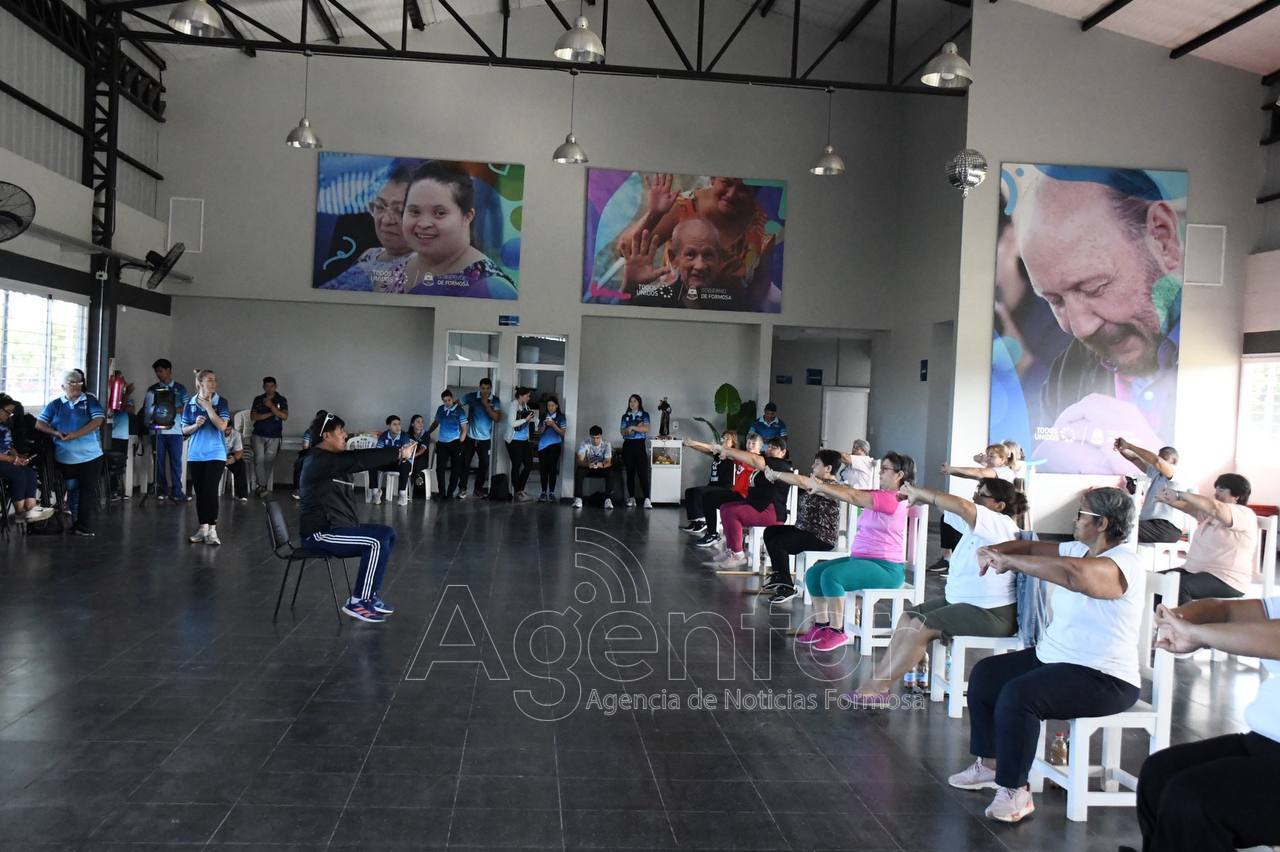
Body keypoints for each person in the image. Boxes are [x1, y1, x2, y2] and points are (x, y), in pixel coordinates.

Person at [946, 487, 1143, 824]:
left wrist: (1011, 562)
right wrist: (995, 550)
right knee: (987, 675)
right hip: (1054, 657)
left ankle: (1015, 791)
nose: (1074, 520)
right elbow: (1029, 545)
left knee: (1019, 696)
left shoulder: (1124, 563)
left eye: (1081, 515)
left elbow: (1074, 576)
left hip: (1104, 677)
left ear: (1103, 523)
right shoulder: (1079, 548)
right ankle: (991, 764)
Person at [1016, 168, 1184, 470]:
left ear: (1162, 238)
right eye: (1055, 301)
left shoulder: (1209, 366)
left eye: (1094, 287)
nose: (1080, 328)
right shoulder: (1065, 371)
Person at [848, 478, 1026, 706]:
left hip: (992, 613)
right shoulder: (976, 525)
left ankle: (877, 688)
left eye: (981, 495)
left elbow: (962, 506)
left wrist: (922, 492)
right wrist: (919, 495)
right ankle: (879, 680)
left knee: (920, 627)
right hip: (963, 603)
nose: (974, 497)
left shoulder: (1000, 523)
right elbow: (951, 508)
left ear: (999, 505)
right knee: (909, 617)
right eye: (975, 492)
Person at [1128, 597, 1280, 852]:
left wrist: (1196, 634)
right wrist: (1179, 619)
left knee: (1194, 798)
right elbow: (1225, 610)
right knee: (1160, 773)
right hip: (1266, 743)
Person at [298, 411, 417, 623]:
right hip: (320, 534)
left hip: (338, 527)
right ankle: (359, 601)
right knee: (375, 542)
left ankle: (370, 596)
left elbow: (364, 460)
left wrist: (399, 457)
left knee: (387, 534)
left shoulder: (332, 458)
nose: (345, 435)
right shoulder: (318, 460)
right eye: (341, 432)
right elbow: (358, 459)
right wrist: (398, 452)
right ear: (326, 436)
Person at [794, 453, 915, 652]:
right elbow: (850, 492)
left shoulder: (893, 499)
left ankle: (837, 630)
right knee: (814, 574)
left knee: (831, 576)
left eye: (885, 469)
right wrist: (822, 487)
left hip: (887, 568)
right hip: (863, 560)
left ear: (899, 475)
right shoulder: (880, 495)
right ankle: (822, 626)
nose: (880, 472)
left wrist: (822, 487)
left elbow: (853, 496)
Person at [616, 174, 779, 311]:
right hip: (672, 305)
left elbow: (760, 286)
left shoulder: (763, 228)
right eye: (727, 183)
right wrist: (653, 214)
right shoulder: (683, 205)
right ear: (713, 178)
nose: (731, 194)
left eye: (743, 189)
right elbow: (624, 249)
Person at [389, 160, 517, 299]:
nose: (424, 224)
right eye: (414, 211)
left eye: (439, 213)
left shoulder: (491, 289)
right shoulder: (395, 267)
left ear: (467, 217)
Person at [1151, 475, 1258, 604]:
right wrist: (1171, 501)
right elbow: (1191, 508)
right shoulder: (1213, 515)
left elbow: (1215, 507)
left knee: (1178, 588)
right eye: (1216, 490)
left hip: (1226, 579)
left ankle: (1186, 618)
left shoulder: (1244, 513)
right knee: (1154, 581)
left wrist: (1180, 494)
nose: (1216, 494)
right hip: (1194, 570)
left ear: (1236, 496)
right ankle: (1165, 617)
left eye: (1221, 490)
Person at [758, 449, 844, 603]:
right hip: (805, 531)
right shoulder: (818, 482)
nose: (812, 466)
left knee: (779, 542)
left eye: (817, 464)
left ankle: (786, 587)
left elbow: (800, 481)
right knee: (770, 532)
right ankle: (779, 575)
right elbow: (800, 481)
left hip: (820, 538)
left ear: (828, 468)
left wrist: (776, 474)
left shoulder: (832, 487)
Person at [321, 160, 414, 292]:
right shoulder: (370, 254)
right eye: (379, 206)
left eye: (399, 210)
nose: (386, 220)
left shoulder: (420, 267)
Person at [702, 436, 793, 570]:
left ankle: (738, 554)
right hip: (759, 506)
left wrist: (725, 449)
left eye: (774, 448)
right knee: (725, 507)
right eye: (768, 447)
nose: (769, 450)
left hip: (771, 512)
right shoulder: (768, 462)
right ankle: (731, 550)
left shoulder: (781, 465)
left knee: (732, 512)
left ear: (783, 452)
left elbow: (753, 459)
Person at [35, 369, 106, 536]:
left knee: (87, 490)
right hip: (66, 457)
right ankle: (75, 522)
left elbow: (98, 421)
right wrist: (55, 433)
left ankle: (84, 526)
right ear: (63, 386)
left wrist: (75, 434)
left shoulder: (89, 401)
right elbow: (39, 424)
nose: (76, 386)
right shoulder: (55, 405)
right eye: (71, 383)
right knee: (72, 488)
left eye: (79, 383)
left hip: (91, 456)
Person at [932, 444, 1018, 574]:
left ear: (1003, 459)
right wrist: (953, 470)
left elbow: (979, 473)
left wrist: (951, 469)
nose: (988, 458)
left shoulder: (1005, 471)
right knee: (947, 518)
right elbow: (975, 473)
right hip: (987, 513)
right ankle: (947, 558)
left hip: (995, 516)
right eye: (987, 455)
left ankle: (952, 561)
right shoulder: (994, 470)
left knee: (964, 526)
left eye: (992, 456)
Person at [619, 219, 737, 310]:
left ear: (719, 259)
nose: (700, 265)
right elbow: (617, 325)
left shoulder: (736, 301)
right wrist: (629, 287)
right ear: (673, 258)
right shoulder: (654, 301)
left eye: (708, 255)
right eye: (690, 254)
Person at [181, 370, 231, 545]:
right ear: (200, 383)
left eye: (214, 380)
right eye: (209, 380)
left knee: (210, 490)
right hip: (196, 454)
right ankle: (202, 528)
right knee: (200, 492)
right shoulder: (190, 403)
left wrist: (209, 408)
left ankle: (212, 530)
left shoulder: (221, 402)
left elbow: (222, 426)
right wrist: (195, 425)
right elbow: (184, 430)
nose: (213, 384)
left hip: (215, 454)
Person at [686, 433, 761, 549]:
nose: (750, 445)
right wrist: (694, 444)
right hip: (737, 494)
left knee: (709, 498)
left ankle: (718, 536)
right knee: (708, 498)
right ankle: (712, 533)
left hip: (747, 497)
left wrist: (695, 443)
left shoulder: (758, 459)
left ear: (760, 446)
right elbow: (715, 450)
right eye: (748, 442)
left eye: (753, 443)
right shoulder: (742, 457)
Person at [1113, 438, 1184, 544]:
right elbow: (1134, 459)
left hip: (1167, 528)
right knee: (1116, 526)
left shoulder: (1177, 473)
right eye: (1159, 456)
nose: (1160, 460)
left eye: (1164, 459)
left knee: (1120, 528)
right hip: (1149, 524)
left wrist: (1129, 446)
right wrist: (1122, 449)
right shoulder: (1156, 472)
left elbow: (1157, 461)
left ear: (1174, 461)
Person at [0, 394, 54, 524]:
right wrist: (12, 459)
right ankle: (20, 513)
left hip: (6, 459)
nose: (10, 415)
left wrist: (17, 456)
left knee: (30, 473)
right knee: (18, 474)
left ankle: (30, 509)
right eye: (8, 412)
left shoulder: (4, 426)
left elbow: (9, 445)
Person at [142, 358, 189, 502]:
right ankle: (161, 490)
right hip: (157, 431)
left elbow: (188, 408)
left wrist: (171, 410)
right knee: (158, 462)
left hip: (175, 431)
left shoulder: (180, 389)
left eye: (160, 371)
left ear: (169, 370)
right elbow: (147, 410)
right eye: (156, 372)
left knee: (176, 462)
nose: (158, 374)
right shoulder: (152, 389)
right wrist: (148, 424)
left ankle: (177, 491)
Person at [681, 432, 738, 535]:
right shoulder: (718, 454)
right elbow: (705, 449)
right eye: (723, 438)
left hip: (724, 488)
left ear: (733, 443)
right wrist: (691, 445)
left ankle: (703, 521)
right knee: (689, 492)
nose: (724, 440)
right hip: (712, 486)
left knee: (699, 492)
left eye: (727, 439)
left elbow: (711, 447)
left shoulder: (733, 454)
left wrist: (693, 442)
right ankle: (695, 521)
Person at [250, 376, 289, 498]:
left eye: (272, 386)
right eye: (267, 386)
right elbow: (254, 417)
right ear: (263, 387)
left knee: (269, 461)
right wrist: (272, 413)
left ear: (276, 386)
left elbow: (284, 416)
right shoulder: (258, 399)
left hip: (274, 435)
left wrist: (271, 406)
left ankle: (261, 486)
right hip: (258, 434)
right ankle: (262, 486)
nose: (269, 388)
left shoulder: (281, 400)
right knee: (259, 459)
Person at [461, 378, 501, 498]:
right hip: (470, 437)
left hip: (485, 439)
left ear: (491, 388)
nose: (485, 391)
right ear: (479, 387)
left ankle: (478, 489)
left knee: (484, 464)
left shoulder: (495, 400)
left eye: (487, 388)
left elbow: (497, 418)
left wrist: (486, 405)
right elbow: (456, 406)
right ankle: (462, 489)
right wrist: (463, 420)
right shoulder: (471, 396)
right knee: (465, 463)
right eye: (483, 388)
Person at [425, 389, 468, 500]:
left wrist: (460, 443)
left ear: (452, 399)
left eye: (449, 400)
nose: (447, 402)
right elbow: (436, 422)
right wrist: (427, 433)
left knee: (456, 469)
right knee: (439, 468)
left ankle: (450, 493)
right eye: (445, 401)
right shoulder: (440, 409)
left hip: (455, 442)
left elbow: (464, 429)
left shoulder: (459, 411)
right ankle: (441, 492)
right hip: (442, 443)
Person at [572, 425, 618, 510]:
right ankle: (578, 498)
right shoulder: (584, 443)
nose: (595, 440)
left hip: (601, 468)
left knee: (610, 471)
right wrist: (588, 464)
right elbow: (579, 460)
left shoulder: (606, 444)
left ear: (601, 436)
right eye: (593, 438)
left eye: (598, 438)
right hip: (589, 467)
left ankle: (608, 500)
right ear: (590, 436)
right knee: (579, 471)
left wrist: (601, 465)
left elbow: (608, 462)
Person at [504, 387, 538, 503]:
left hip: (524, 440)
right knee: (517, 465)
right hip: (514, 440)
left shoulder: (525, 406)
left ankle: (521, 490)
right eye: (527, 396)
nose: (529, 398)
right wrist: (526, 419)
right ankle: (518, 492)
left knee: (529, 465)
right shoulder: (513, 405)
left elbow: (528, 420)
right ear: (520, 396)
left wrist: (535, 420)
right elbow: (512, 423)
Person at [106, 372, 136, 501]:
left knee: (120, 465)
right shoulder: (109, 396)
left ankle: (119, 491)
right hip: (112, 436)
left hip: (123, 436)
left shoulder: (126, 397)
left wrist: (125, 395)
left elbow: (131, 410)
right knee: (111, 465)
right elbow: (115, 408)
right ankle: (112, 492)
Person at [619, 394, 652, 509]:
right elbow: (622, 432)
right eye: (630, 401)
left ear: (639, 403)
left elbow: (646, 428)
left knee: (643, 472)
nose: (632, 403)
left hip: (639, 445)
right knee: (630, 472)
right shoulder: (625, 416)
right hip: (628, 445)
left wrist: (632, 428)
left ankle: (647, 499)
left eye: (635, 401)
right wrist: (636, 428)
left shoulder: (644, 415)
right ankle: (631, 498)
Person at [373, 415, 413, 506]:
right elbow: (378, 451)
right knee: (372, 463)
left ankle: (402, 494)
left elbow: (405, 454)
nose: (398, 427)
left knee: (405, 463)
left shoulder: (404, 436)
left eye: (399, 424)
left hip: (400, 463)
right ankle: (375, 493)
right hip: (388, 462)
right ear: (389, 426)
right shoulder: (384, 435)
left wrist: (389, 454)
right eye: (394, 424)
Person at [536, 395, 567, 502]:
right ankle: (543, 492)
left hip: (555, 445)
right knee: (543, 470)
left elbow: (563, 433)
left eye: (552, 405)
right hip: (542, 446)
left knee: (553, 469)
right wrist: (544, 426)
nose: (550, 408)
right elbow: (539, 432)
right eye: (549, 406)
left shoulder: (561, 417)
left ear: (557, 406)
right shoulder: (543, 416)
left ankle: (552, 492)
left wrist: (553, 424)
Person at [291, 409, 327, 500]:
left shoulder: (329, 432)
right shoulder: (310, 431)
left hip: (325, 455)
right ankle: (298, 489)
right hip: (313, 454)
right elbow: (306, 447)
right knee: (300, 463)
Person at [222, 423, 248, 502]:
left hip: (229, 455)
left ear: (231, 428)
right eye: (225, 429)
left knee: (240, 464)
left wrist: (233, 459)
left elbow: (239, 451)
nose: (226, 431)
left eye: (228, 429)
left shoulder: (236, 434)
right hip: (216, 455)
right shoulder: (216, 432)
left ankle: (242, 495)